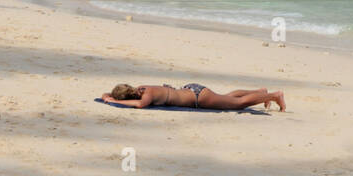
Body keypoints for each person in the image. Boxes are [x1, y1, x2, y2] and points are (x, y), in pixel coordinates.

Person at [102, 81, 285, 112]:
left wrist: (115, 100)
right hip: (193, 89)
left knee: (236, 104)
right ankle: (261, 93)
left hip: (198, 98)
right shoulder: (143, 87)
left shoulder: (146, 95)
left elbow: (141, 105)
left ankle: (275, 96)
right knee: (227, 97)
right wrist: (110, 95)